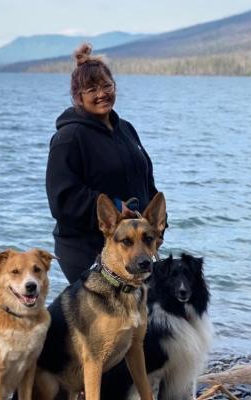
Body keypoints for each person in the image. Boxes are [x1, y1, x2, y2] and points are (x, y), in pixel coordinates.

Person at [46, 43, 162, 284]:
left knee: (145, 315)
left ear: (115, 87)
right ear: (78, 97)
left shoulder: (126, 129)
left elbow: (146, 180)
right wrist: (117, 207)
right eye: (91, 89)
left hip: (138, 245)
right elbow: (63, 200)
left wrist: (157, 228)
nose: (102, 94)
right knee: (106, 320)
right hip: (86, 248)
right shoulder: (68, 138)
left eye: (106, 86)